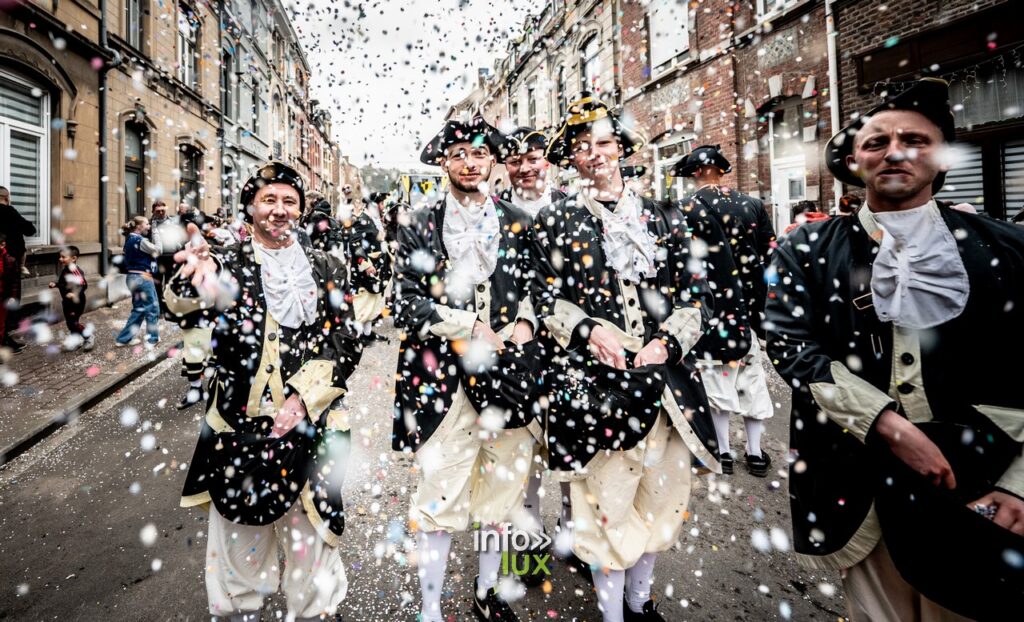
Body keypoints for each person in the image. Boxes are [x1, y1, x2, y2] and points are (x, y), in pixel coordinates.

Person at [767, 78, 1024, 621]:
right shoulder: (808, 247)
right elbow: (791, 344)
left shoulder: (1004, 248)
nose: (894, 152)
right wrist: (889, 426)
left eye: (915, 139)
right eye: (876, 141)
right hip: (855, 480)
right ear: (855, 160)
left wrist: (1019, 484)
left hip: (978, 482)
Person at [534, 93, 719, 622]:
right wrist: (589, 330)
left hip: (667, 385)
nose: (595, 154)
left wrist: (667, 341)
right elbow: (545, 297)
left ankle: (640, 604)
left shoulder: (664, 215)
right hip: (598, 385)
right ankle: (613, 615)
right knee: (604, 509)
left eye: (604, 143)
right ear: (571, 158)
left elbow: (694, 295)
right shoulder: (558, 219)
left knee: (661, 504)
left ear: (620, 148)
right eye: (582, 147)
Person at [168, 161, 362, 621]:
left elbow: (347, 340)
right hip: (240, 433)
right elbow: (183, 302)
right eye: (268, 200)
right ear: (251, 206)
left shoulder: (326, 264)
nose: (279, 210)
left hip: (314, 432)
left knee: (312, 555)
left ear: (301, 208)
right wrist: (190, 273)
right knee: (239, 560)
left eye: (288, 201)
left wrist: (302, 398)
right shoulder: (227, 261)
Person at [395, 114, 535, 622]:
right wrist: (469, 325)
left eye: (479, 153)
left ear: (493, 159)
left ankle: (487, 590)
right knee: (439, 497)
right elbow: (407, 303)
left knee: (500, 498)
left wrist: (524, 326)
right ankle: (431, 609)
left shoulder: (519, 220)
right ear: (443, 162)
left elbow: (537, 290)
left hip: (508, 380)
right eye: (459, 154)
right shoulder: (416, 223)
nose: (470, 162)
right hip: (441, 384)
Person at [674, 145, 776, 476]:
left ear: (695, 173)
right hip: (749, 307)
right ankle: (756, 452)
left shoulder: (684, 209)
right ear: (719, 169)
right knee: (751, 377)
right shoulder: (753, 205)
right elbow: (769, 255)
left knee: (717, 379)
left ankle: (723, 451)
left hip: (711, 305)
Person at [347, 192, 391, 342]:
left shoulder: (372, 220)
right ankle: (356, 337)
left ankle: (367, 334)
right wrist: (365, 264)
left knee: (371, 303)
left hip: (374, 269)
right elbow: (354, 243)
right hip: (365, 272)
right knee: (362, 305)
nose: (383, 207)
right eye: (381, 203)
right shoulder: (362, 220)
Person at [498, 127, 567, 217]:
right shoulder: (495, 208)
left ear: (547, 162)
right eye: (515, 162)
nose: (524, 169)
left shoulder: (568, 205)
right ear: (506, 166)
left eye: (533, 159)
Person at [0, 185, 37, 352]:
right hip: (9, 266)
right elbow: (30, 230)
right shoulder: (9, 211)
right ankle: (5, 341)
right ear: (7, 197)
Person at [115, 216, 161, 347]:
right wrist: (156, 232)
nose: (148, 226)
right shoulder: (140, 240)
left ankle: (123, 339)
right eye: (146, 224)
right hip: (143, 277)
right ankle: (153, 339)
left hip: (131, 277)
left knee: (139, 309)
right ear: (138, 226)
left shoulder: (129, 239)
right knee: (152, 308)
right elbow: (158, 250)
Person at [48, 245, 94, 352]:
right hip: (67, 302)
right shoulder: (66, 270)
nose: (60, 259)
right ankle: (77, 340)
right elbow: (63, 284)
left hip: (76, 302)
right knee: (70, 323)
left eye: (63, 257)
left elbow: (83, 285)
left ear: (73, 258)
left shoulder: (75, 270)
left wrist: (75, 293)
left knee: (73, 323)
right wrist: (55, 284)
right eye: (60, 257)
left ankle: (88, 336)